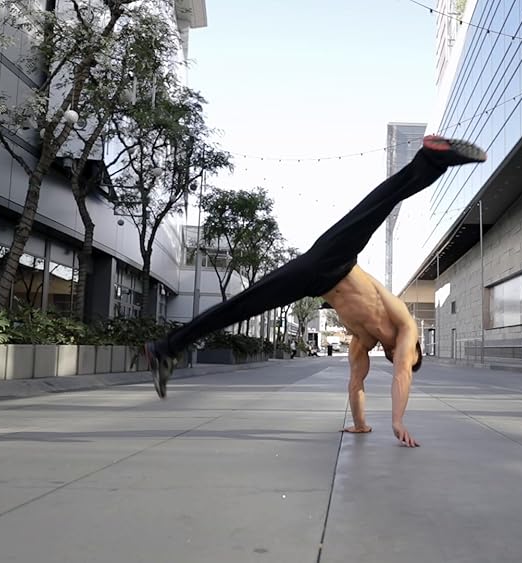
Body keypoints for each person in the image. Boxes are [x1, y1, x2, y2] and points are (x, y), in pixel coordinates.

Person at [144, 135, 487, 447]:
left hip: (311, 278)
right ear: (413, 352)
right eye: (410, 358)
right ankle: (431, 159)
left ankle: (165, 348)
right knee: (378, 206)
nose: (402, 359)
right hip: (337, 259)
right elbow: (401, 374)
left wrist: (361, 424)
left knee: (241, 306)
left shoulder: (361, 343)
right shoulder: (405, 325)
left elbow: (356, 385)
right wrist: (397, 420)